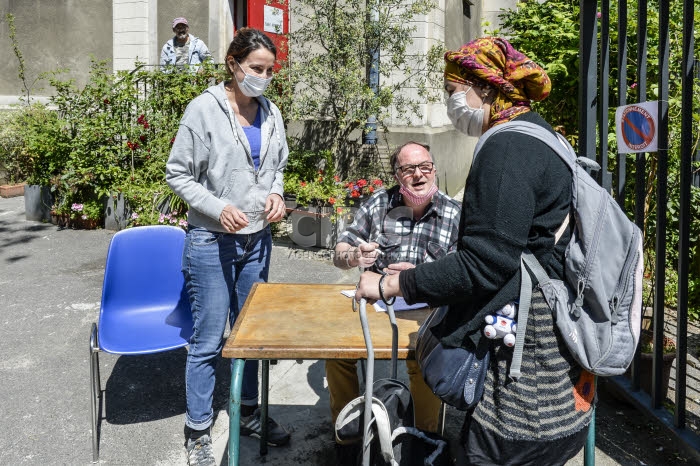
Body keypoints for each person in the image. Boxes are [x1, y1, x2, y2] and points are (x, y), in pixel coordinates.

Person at [354, 37, 593, 465]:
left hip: (523, 372)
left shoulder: (507, 147)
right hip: (549, 346)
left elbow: (483, 263)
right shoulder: (541, 134)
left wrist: (393, 283)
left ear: (483, 88)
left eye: (453, 91)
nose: (451, 102)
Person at [166, 28, 289, 466]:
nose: (263, 78)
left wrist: (277, 194)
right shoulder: (203, 110)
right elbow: (178, 174)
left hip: (258, 240)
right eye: (256, 69)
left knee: (251, 335)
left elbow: (278, 166)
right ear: (233, 63)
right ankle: (198, 430)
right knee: (208, 339)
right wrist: (218, 208)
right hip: (211, 241)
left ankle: (250, 414)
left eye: (269, 71)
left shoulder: (271, 112)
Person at [329, 142, 461, 439]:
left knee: (425, 358)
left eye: (425, 166)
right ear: (397, 175)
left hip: (426, 314)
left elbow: (460, 274)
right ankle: (347, 434)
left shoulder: (455, 214)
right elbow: (340, 250)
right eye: (408, 169)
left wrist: (417, 278)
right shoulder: (378, 204)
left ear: (434, 170)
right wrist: (353, 256)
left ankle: (424, 441)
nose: (419, 175)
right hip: (378, 311)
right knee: (336, 353)